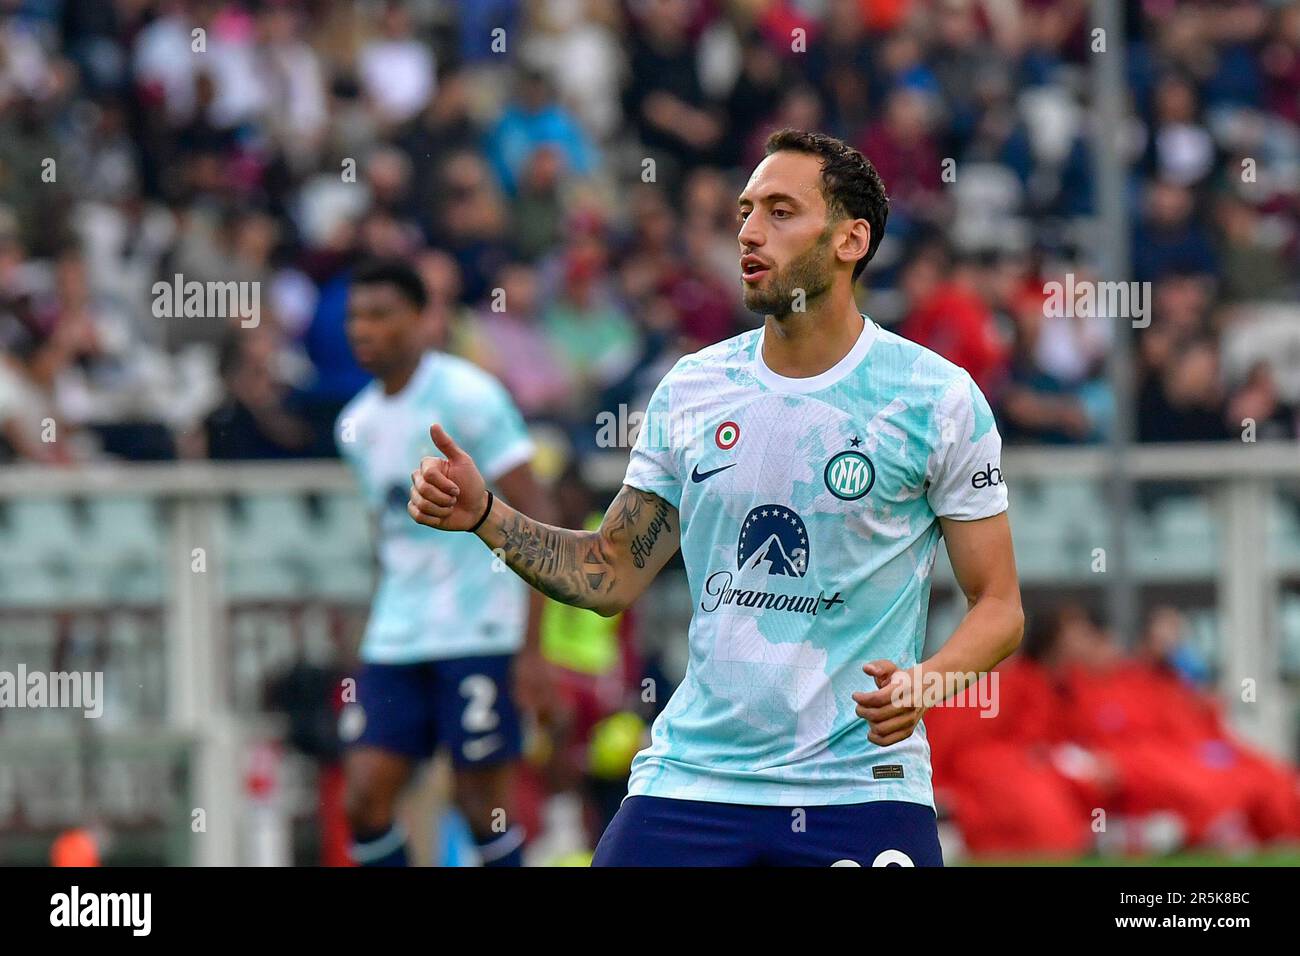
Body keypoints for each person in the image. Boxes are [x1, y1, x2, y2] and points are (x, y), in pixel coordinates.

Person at [408, 130, 1023, 866]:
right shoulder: (694, 389)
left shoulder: (935, 399)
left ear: (850, 239)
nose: (749, 231)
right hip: (693, 780)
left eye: (781, 211)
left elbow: (999, 605)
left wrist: (928, 681)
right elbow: (610, 573)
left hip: (858, 786)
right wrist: (486, 517)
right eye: (744, 211)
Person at [335, 258, 553, 867]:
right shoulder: (353, 425)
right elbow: (388, 542)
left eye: (379, 315)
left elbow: (536, 515)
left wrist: (533, 649)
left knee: (483, 807)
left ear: (422, 319)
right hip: (398, 636)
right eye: (355, 317)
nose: (363, 329)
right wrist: (370, 633)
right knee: (363, 798)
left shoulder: (468, 396)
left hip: (480, 629)